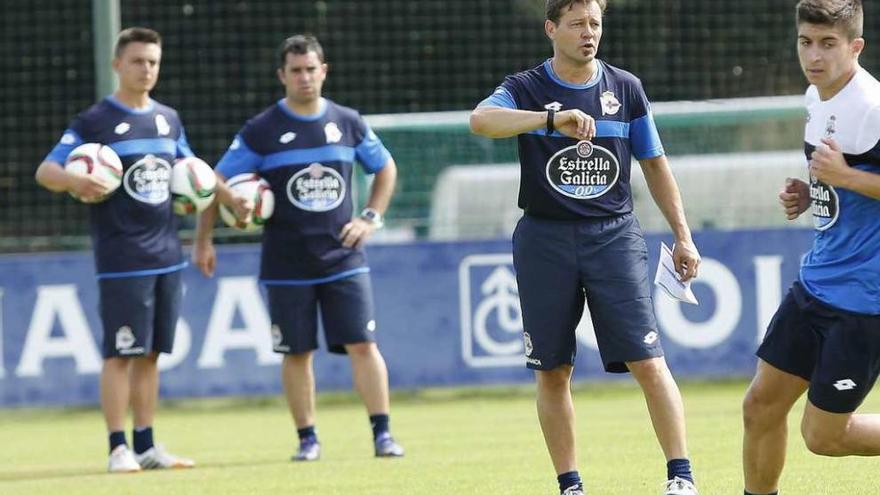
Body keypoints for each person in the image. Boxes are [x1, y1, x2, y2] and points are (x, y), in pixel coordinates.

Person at [470, 1, 703, 494]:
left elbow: (655, 164)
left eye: (595, 23)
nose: (588, 32)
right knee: (553, 370)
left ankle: (681, 478)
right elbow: (481, 121)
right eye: (577, 24)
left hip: (614, 236)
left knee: (649, 359)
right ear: (552, 29)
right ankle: (570, 485)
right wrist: (550, 121)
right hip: (544, 239)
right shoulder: (525, 87)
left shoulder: (626, 88)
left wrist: (683, 234)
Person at [193, 34, 403, 462]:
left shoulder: (347, 122)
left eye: (311, 69)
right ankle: (307, 439)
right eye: (296, 71)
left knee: (364, 346)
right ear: (282, 76)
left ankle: (383, 435)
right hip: (286, 260)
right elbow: (212, 181)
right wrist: (206, 236)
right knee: (296, 352)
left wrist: (370, 218)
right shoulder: (262, 130)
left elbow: (385, 168)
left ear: (323, 71)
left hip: (343, 257)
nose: (305, 77)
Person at [35, 27, 196, 473]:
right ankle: (117, 447)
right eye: (138, 61)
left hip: (168, 252)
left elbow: (191, 173)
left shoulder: (168, 119)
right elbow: (46, 170)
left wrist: (220, 196)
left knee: (150, 355)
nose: (146, 69)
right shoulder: (95, 121)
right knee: (121, 353)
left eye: (153, 62)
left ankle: (146, 444)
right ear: (117, 65)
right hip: (122, 256)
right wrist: (75, 180)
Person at [742, 1, 880, 494]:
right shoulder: (816, 98)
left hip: (863, 301)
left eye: (827, 44)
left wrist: (842, 177)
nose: (814, 56)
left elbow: (851, 174)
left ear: (855, 47)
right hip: (816, 284)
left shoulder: (873, 107)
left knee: (824, 437)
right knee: (760, 406)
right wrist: (811, 193)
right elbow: (845, 183)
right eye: (806, 42)